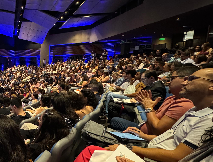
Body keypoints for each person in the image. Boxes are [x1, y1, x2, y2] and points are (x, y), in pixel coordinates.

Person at [74, 68, 213, 162]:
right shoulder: (195, 110)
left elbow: (177, 156)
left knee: (89, 152)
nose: (185, 81)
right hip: (148, 146)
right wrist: (143, 135)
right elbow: (170, 136)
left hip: (151, 157)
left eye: (192, 78)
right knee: (91, 139)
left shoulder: (208, 120)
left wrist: (130, 148)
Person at [109, 66, 197, 133]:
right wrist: (148, 105)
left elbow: (157, 129)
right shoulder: (171, 98)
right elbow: (156, 116)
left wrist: (148, 107)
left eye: (172, 78)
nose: (169, 82)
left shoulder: (183, 104)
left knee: (115, 120)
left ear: (185, 80)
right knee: (123, 112)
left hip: (146, 134)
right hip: (144, 125)